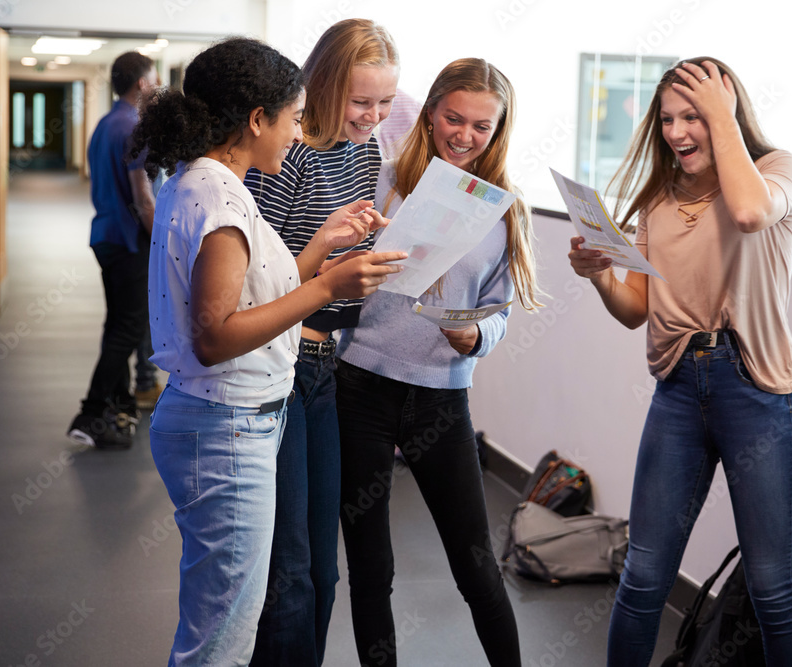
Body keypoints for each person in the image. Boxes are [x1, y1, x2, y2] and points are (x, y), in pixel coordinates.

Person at [129, 37, 405, 665]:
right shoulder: (222, 200)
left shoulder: (204, 182)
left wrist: (322, 248)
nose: (298, 133)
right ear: (258, 119)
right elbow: (216, 334)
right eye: (295, 118)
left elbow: (259, 291)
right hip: (225, 426)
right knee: (222, 638)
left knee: (227, 619)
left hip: (224, 420)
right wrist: (328, 286)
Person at [568, 57, 792, 667]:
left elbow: (751, 214)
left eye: (693, 117)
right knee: (644, 575)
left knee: (771, 588)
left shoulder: (775, 172)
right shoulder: (658, 199)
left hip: (757, 393)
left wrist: (721, 117)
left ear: (727, 114)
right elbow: (635, 310)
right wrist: (601, 277)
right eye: (668, 119)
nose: (677, 133)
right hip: (677, 391)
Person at [335, 58, 541, 667]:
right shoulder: (381, 181)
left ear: (499, 130)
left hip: (440, 398)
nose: (464, 135)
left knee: (476, 566)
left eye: (482, 126)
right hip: (360, 388)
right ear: (429, 113)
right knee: (371, 567)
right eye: (454, 118)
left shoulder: (505, 209)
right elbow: (330, 273)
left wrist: (476, 337)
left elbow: (499, 311)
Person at [243, 18, 400, 666]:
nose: (373, 117)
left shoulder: (367, 153)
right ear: (324, 87)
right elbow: (256, 289)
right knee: (291, 576)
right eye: (362, 102)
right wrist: (330, 262)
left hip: (326, 368)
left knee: (321, 574)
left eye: (386, 103)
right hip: (277, 368)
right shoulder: (286, 154)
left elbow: (345, 259)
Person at [67, 51, 157, 449]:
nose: (156, 84)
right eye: (154, 78)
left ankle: (116, 408)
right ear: (141, 83)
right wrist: (164, 243)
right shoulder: (134, 126)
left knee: (118, 323)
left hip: (104, 236)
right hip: (127, 240)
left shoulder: (105, 123)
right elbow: (143, 199)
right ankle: (89, 414)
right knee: (129, 328)